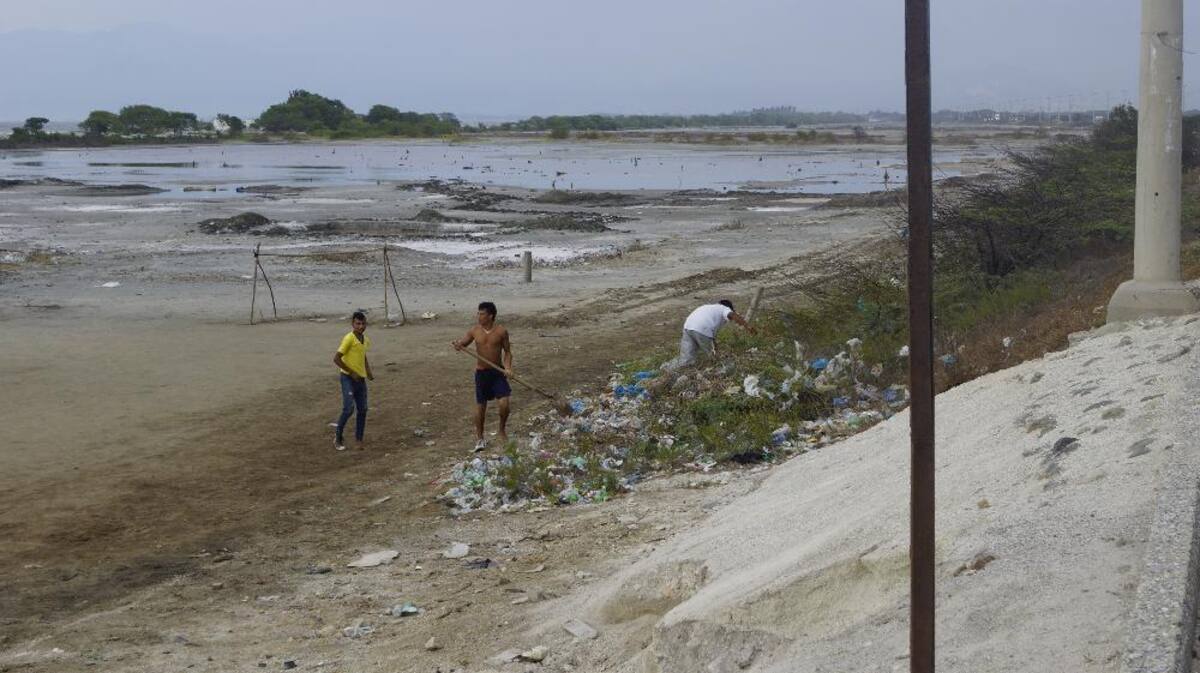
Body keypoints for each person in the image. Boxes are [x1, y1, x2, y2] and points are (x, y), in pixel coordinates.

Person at [451, 302, 513, 452]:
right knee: (480, 408)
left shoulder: (501, 331)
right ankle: (480, 438)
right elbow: (463, 343)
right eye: (478, 313)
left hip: (497, 373)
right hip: (481, 373)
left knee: (504, 404)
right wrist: (458, 344)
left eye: (482, 314)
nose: (478, 316)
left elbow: (507, 352)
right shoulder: (474, 330)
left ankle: (501, 430)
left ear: (490, 316)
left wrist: (508, 368)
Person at [663, 300, 754, 371]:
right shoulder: (724, 308)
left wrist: (713, 345)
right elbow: (732, 314)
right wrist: (747, 326)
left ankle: (671, 370)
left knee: (686, 359)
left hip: (688, 326)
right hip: (702, 328)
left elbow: (711, 338)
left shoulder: (709, 307)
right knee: (714, 357)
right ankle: (719, 371)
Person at [332, 311, 373, 451]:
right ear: (352, 324)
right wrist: (351, 372)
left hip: (360, 378)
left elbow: (363, 355)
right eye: (358, 324)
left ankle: (359, 439)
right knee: (349, 408)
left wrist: (368, 371)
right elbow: (336, 359)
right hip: (347, 378)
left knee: (363, 409)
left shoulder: (365, 340)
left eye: (363, 324)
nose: (361, 326)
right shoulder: (349, 338)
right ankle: (338, 436)